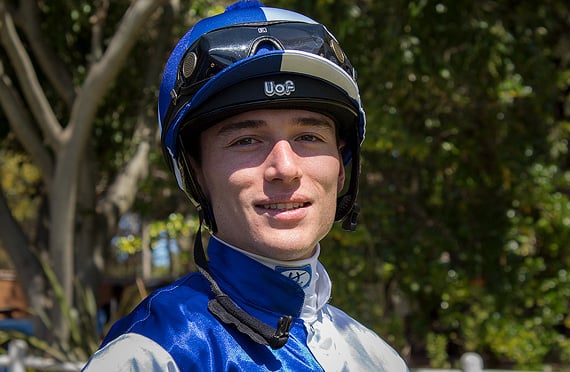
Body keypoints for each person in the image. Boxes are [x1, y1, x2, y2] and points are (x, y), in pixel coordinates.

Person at [83, 1, 408, 371]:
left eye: (309, 136)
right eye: (246, 141)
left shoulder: (378, 358)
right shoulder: (155, 353)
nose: (285, 168)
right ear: (195, 173)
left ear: (343, 166)